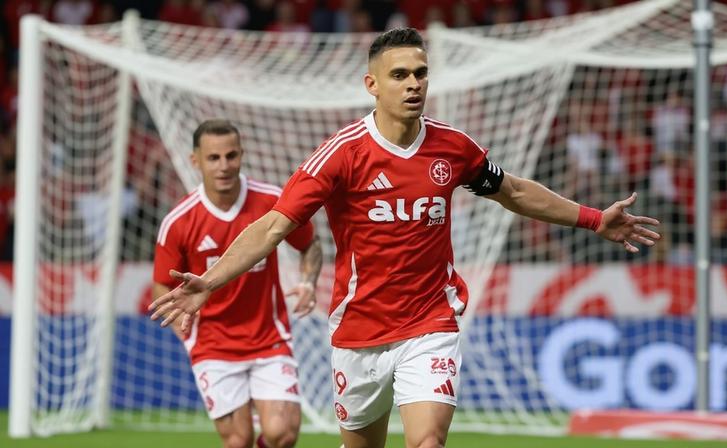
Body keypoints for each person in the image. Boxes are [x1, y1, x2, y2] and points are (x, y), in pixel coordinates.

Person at [150, 29, 660, 448]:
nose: (413, 84)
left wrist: (594, 219)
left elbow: (515, 192)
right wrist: (210, 282)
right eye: (400, 75)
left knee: (426, 443)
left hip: (429, 323)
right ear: (372, 84)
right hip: (358, 330)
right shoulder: (340, 156)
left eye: (420, 74)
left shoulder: (453, 148)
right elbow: (273, 226)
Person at [152, 119, 321, 448]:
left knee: (282, 433)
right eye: (214, 158)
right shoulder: (178, 221)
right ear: (195, 161)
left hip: (268, 337)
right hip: (213, 345)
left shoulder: (271, 202)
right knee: (238, 440)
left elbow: (310, 244)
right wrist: (188, 336)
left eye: (231, 156)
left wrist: (308, 281)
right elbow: (161, 285)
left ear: (242, 155)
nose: (224, 166)